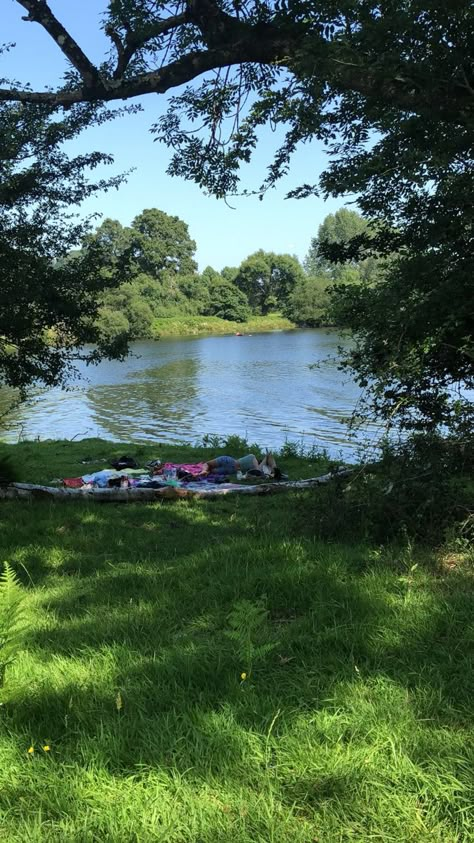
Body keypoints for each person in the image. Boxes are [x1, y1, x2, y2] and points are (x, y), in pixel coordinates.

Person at [200, 452, 277, 477]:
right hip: (232, 464)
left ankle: (275, 471)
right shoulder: (252, 458)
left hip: (231, 467)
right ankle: (275, 471)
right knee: (209, 466)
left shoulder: (253, 464)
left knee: (211, 469)